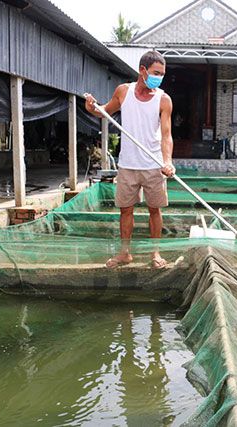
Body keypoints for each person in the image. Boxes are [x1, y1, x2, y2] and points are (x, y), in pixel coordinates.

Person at [85, 50, 175, 269]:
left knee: (155, 209)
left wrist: (168, 161)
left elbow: (166, 135)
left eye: (162, 74)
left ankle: (155, 253)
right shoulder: (123, 92)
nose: (159, 77)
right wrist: (91, 108)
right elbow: (105, 111)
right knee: (126, 209)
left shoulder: (164, 100)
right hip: (128, 164)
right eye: (156, 72)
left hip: (154, 165)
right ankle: (124, 253)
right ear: (142, 71)